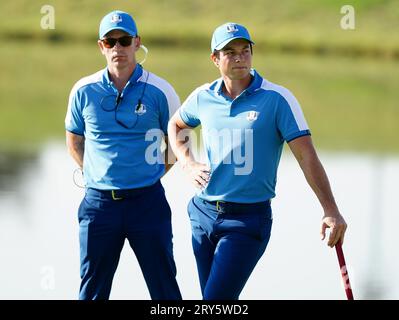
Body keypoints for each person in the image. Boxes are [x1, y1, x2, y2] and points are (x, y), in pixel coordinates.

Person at [167, 22, 347, 300]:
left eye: (244, 50)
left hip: (247, 220)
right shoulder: (203, 96)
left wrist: (330, 210)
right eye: (229, 52)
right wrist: (187, 162)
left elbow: (306, 155)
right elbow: (176, 126)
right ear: (215, 59)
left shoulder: (277, 99)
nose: (239, 57)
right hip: (202, 214)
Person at [65, 10, 181, 300]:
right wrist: (95, 173)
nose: (118, 47)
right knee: (92, 289)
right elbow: (74, 138)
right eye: (110, 41)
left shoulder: (160, 90)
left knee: (164, 287)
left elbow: (180, 143)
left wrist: (149, 175)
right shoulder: (83, 90)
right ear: (101, 46)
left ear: (137, 43)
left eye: (124, 40)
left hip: (147, 202)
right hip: (98, 205)